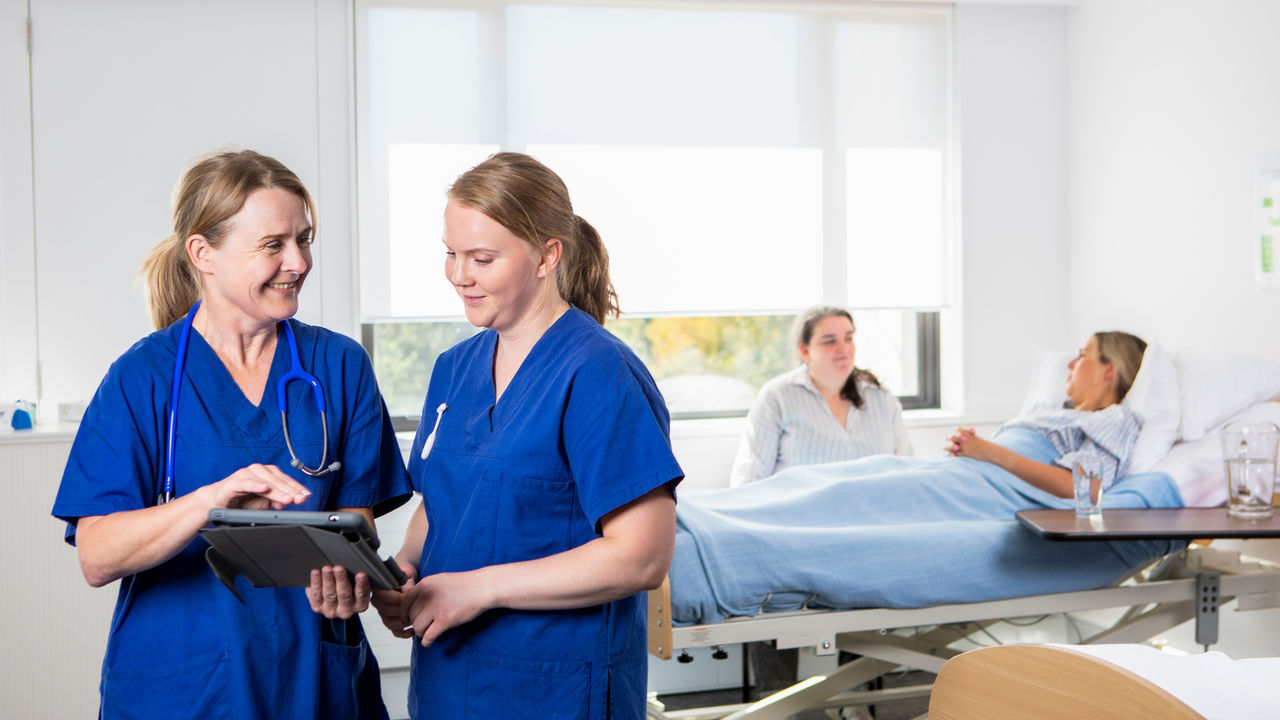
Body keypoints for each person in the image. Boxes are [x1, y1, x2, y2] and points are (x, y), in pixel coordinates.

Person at [51, 149, 411, 720]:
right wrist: (209, 503)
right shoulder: (142, 378)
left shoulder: (339, 365)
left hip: (311, 670)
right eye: (273, 245)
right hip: (184, 679)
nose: (299, 261)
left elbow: (357, 517)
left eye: (305, 238)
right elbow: (97, 556)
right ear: (203, 253)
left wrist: (351, 573)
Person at [370, 152, 684, 719]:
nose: (459, 274)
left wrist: (480, 588)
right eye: (450, 253)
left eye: (481, 258)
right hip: (450, 681)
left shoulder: (597, 373)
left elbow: (643, 557)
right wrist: (406, 568)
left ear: (547, 256)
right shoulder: (454, 367)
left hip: (555, 689)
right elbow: (446, 499)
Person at [671, 331, 1180, 625]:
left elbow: (1085, 491)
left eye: (1085, 355)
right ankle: (694, 518)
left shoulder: (1110, 422)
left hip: (980, 494)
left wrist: (993, 454)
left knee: (848, 498)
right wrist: (982, 453)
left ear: (1109, 371)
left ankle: (706, 549)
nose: (1072, 363)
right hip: (954, 475)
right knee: (829, 485)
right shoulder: (1055, 411)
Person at [731, 306, 912, 487]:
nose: (844, 348)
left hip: (875, 512)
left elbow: (907, 471)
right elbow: (748, 479)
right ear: (805, 351)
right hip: (800, 513)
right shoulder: (777, 397)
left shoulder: (881, 398)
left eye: (848, 338)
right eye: (829, 341)